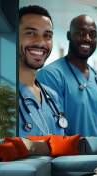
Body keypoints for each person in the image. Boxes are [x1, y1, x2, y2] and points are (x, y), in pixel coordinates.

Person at [37, 15, 97, 137]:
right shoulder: (50, 75)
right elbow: (51, 127)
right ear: (69, 35)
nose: (87, 38)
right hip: (67, 155)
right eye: (81, 33)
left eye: (92, 34)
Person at [18, 5, 67, 137]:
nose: (40, 42)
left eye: (47, 36)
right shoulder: (3, 96)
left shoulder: (52, 97)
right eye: (30, 33)